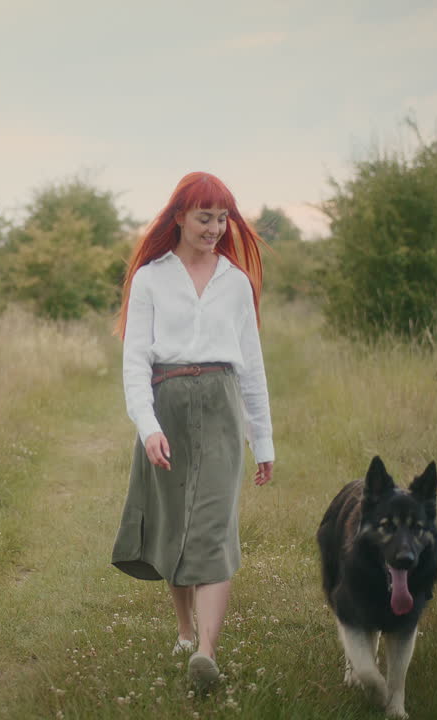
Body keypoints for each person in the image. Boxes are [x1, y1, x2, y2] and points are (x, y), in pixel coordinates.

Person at [110, 171, 274, 691]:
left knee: (213, 527)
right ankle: (184, 632)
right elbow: (135, 361)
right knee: (174, 522)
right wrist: (148, 426)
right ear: (179, 216)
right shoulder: (151, 278)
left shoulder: (236, 282)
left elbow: (252, 368)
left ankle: (205, 651)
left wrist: (262, 440)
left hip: (222, 406)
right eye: (205, 217)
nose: (215, 228)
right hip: (168, 405)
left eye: (223, 219)